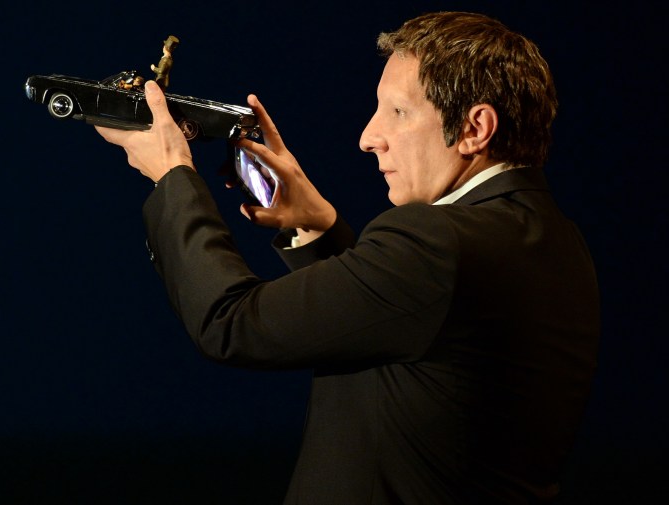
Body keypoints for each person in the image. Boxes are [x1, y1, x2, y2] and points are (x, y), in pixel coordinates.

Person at [96, 11, 599, 505]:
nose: (368, 138)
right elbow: (399, 330)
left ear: (475, 128)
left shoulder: (437, 241)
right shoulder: (557, 241)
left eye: (398, 112)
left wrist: (173, 174)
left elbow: (229, 325)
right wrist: (317, 225)